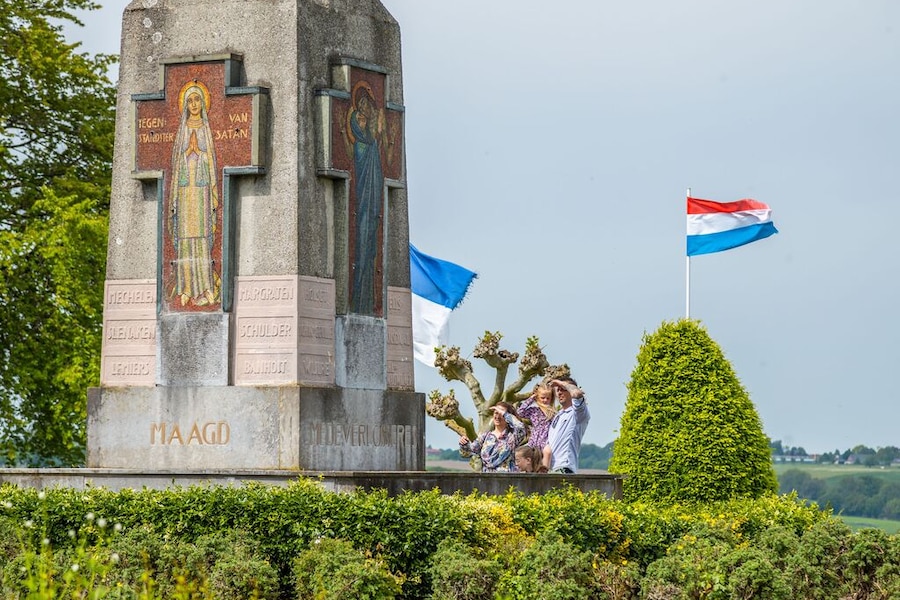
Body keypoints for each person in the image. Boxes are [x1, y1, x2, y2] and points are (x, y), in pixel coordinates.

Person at [169, 81, 221, 308]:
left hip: (201, 192)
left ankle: (206, 286)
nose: (193, 104)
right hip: (184, 192)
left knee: (200, 239)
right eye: (189, 101)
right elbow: (175, 163)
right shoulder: (182, 130)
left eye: (197, 99)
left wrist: (199, 153)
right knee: (185, 239)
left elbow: (211, 162)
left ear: (202, 103)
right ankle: (185, 287)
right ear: (185, 105)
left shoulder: (205, 129)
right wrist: (186, 154)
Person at [459, 402, 527, 473]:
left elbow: (520, 427)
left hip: (506, 478)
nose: (498, 416)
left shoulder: (512, 437)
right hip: (487, 478)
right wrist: (464, 443)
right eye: (496, 413)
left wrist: (505, 414)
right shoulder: (485, 437)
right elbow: (469, 452)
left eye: (501, 414)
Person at [542, 377, 590, 474]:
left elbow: (577, 394)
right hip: (551, 469)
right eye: (558, 390)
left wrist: (560, 382)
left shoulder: (578, 414)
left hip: (564, 467)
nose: (559, 393)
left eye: (563, 389)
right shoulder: (558, 415)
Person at [517, 383, 556, 450]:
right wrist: (531, 399)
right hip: (534, 442)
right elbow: (519, 412)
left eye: (548, 398)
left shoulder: (553, 413)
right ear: (537, 397)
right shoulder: (533, 411)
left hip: (547, 443)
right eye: (542, 398)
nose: (545, 400)